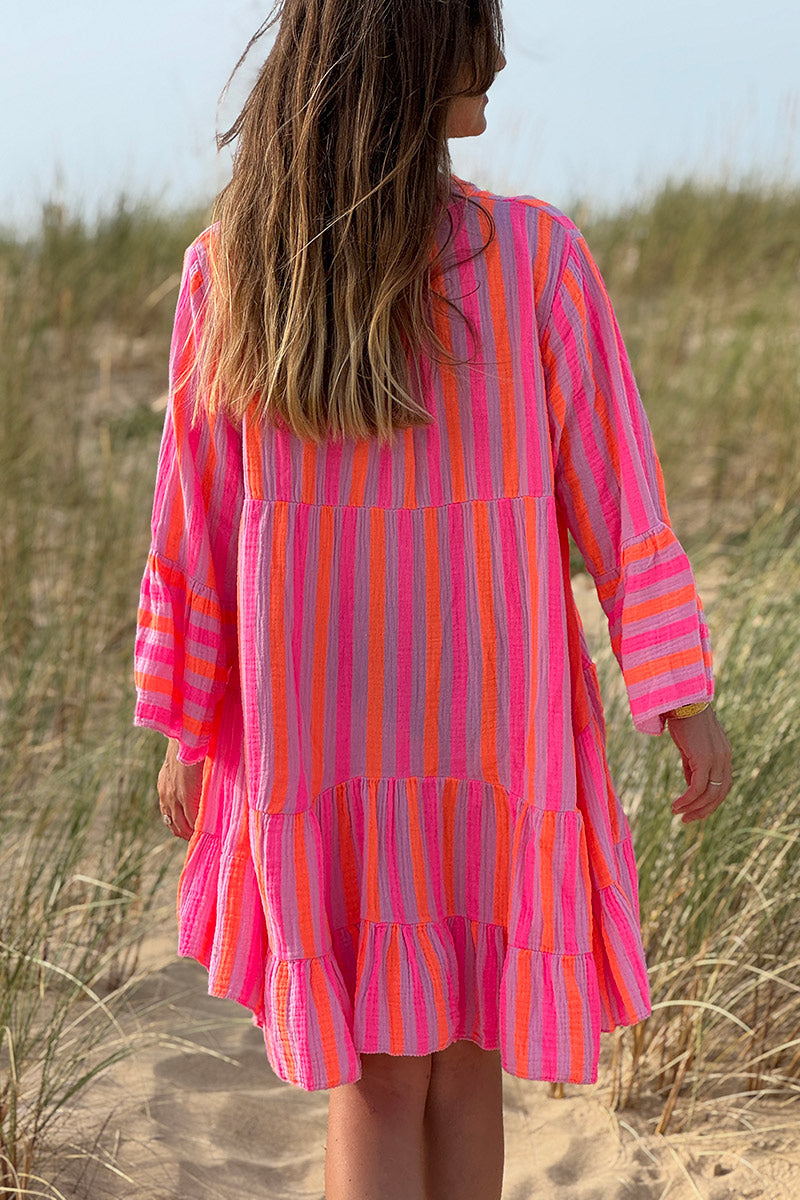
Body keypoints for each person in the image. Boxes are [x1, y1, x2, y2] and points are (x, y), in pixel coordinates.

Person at [133, 2, 733, 1197]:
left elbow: (196, 529)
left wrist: (190, 721)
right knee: (448, 1066)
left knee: (391, 1072)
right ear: (399, 54)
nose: (494, 60)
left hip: (330, 746)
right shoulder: (528, 257)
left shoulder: (240, 266)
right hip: (487, 741)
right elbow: (617, 497)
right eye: (469, 30)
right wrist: (681, 696)